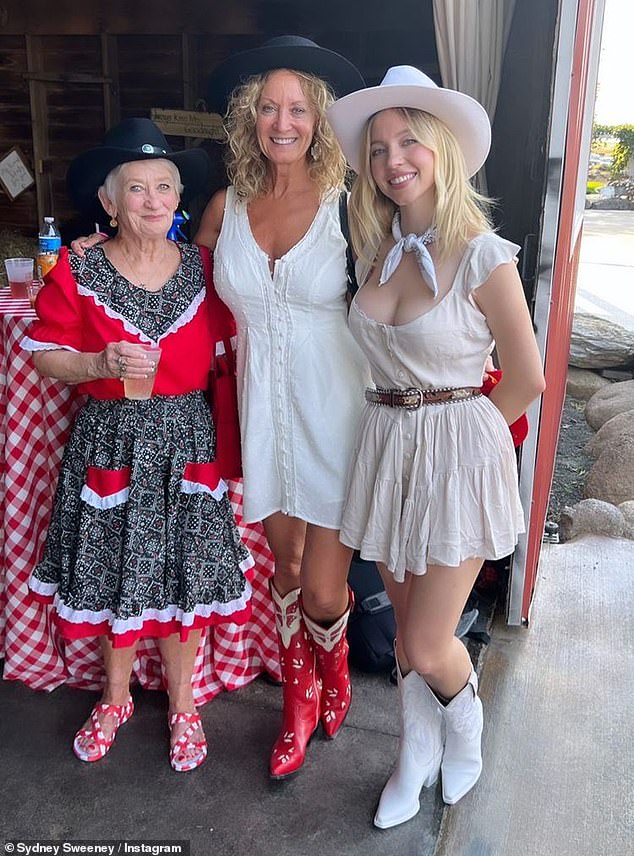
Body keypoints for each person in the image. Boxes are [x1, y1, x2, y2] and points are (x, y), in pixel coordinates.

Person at [70, 36, 370, 780]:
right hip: (261, 409)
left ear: (319, 117)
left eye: (298, 108)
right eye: (268, 107)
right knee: (287, 563)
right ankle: (301, 704)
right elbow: (174, 271)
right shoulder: (226, 204)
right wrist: (100, 249)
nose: (282, 121)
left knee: (328, 584)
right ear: (248, 117)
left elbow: (402, 278)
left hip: (336, 407)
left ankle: (329, 679)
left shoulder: (352, 198)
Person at [326, 66, 545, 825]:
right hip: (388, 448)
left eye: (410, 139)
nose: (393, 159)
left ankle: (467, 728)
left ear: (442, 149)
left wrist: (472, 442)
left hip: (455, 454)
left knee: (425, 642)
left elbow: (528, 376)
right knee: (405, 636)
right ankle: (414, 754)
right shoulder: (374, 253)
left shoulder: (484, 253)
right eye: (380, 146)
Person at [22, 118, 253, 772]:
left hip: (187, 439)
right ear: (108, 202)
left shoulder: (206, 270)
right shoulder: (80, 265)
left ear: (179, 197)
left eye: (164, 188)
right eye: (136, 189)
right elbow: (43, 353)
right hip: (111, 442)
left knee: (185, 575)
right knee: (113, 572)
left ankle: (184, 705)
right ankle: (115, 698)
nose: (153, 201)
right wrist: (96, 364)